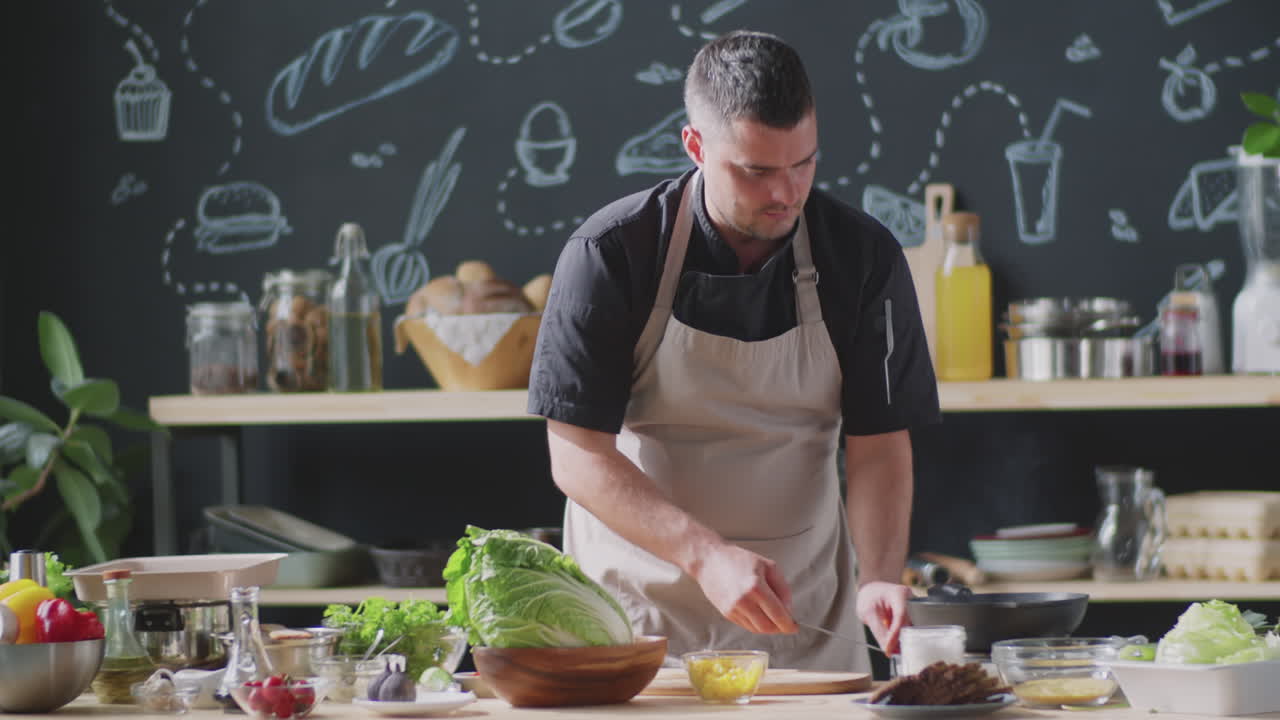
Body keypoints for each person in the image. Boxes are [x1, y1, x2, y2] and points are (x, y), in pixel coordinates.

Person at [527, 30, 940, 671]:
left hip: (802, 627)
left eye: (803, 162)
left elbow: (880, 442)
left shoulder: (861, 257)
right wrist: (705, 554)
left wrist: (882, 575)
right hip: (636, 626)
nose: (786, 192)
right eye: (756, 170)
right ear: (695, 146)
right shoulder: (611, 252)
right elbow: (577, 456)